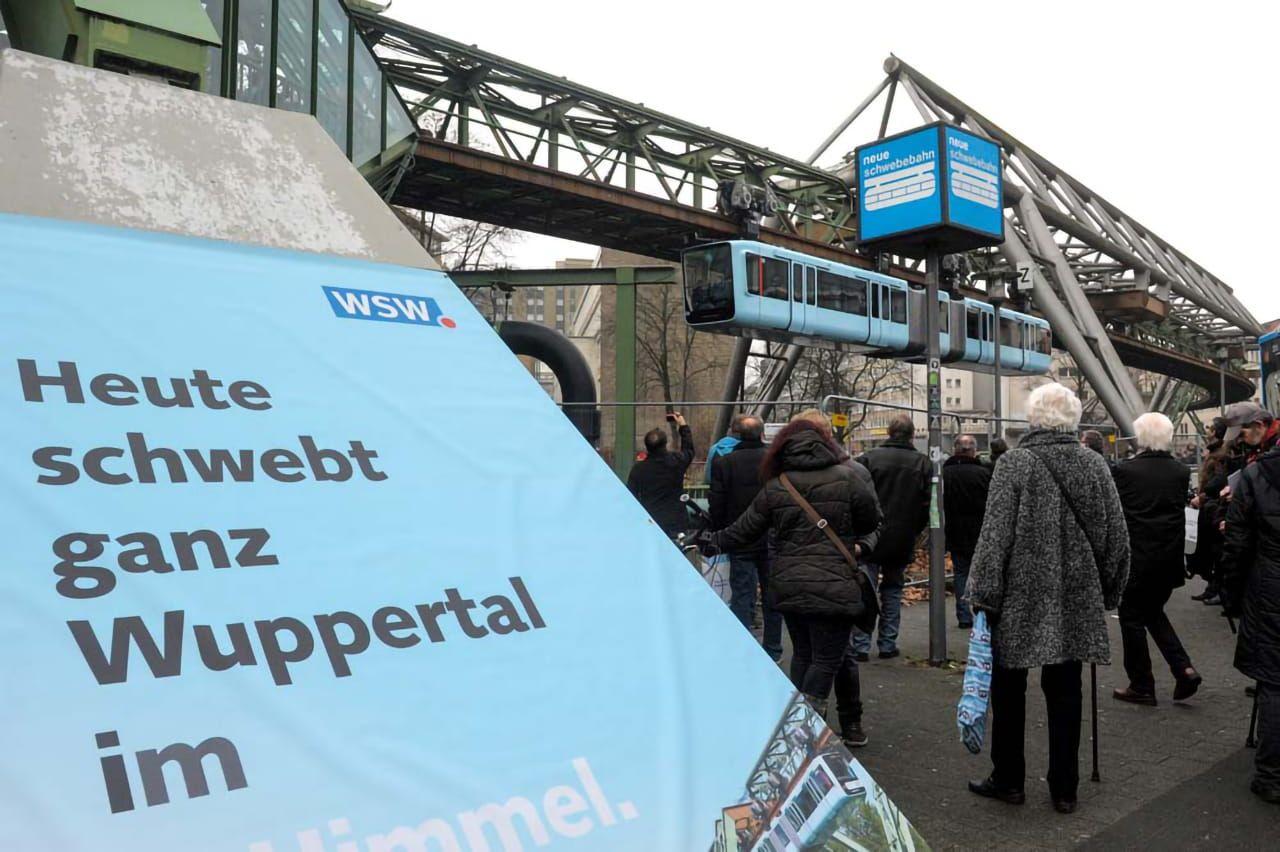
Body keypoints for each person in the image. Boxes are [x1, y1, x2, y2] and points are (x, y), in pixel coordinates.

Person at [966, 382, 1130, 814]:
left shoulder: (1013, 464)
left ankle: (1009, 779)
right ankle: (1065, 788)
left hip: (1019, 596)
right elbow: (1118, 539)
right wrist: (1108, 592)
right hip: (1075, 595)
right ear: (1073, 418)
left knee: (1008, 688)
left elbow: (995, 537)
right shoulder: (1095, 464)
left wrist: (982, 593)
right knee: (1065, 690)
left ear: (1033, 418)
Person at [711, 420, 881, 748]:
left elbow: (743, 530)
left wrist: (711, 541)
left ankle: (796, 722)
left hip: (788, 583)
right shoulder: (848, 478)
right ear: (825, 446)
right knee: (827, 658)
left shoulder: (778, 485)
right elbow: (870, 520)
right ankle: (803, 731)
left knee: (802, 652)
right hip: (834, 584)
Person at [1111, 413, 1201, 705]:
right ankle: (1183, 668)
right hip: (1168, 558)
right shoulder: (1180, 471)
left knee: (1131, 617)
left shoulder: (1125, 471)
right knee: (1152, 613)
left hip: (1137, 558)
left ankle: (1142, 683)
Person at [1220, 440, 1280, 804]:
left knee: (1274, 682)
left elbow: (1237, 543)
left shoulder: (1256, 474)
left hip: (1270, 586)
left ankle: (1271, 774)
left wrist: (1232, 591)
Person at [853, 414, 930, 660]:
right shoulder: (922, 463)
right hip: (902, 536)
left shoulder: (868, 460)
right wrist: (915, 529)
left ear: (888, 431)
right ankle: (887, 643)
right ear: (912, 434)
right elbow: (928, 504)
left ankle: (861, 644)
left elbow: (858, 497)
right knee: (893, 590)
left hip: (870, 536)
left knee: (865, 589)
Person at [710, 414, 782, 660]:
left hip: (739, 536)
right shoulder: (775, 462)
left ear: (735, 434)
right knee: (773, 595)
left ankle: (744, 648)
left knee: (742, 592)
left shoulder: (724, 463)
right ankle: (773, 648)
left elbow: (717, 503)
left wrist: (721, 533)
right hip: (772, 536)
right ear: (762, 434)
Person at [943, 434, 990, 630]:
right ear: (974, 451)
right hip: (980, 531)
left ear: (955, 450)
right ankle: (981, 614)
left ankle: (963, 616)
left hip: (955, 530)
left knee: (960, 572)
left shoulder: (944, 473)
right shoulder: (984, 473)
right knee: (981, 573)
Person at [626, 413, 694, 538]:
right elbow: (689, 450)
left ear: (647, 446)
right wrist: (683, 426)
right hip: (676, 523)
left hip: (650, 523)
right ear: (665, 444)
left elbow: (630, 496)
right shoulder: (676, 461)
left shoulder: (639, 469)